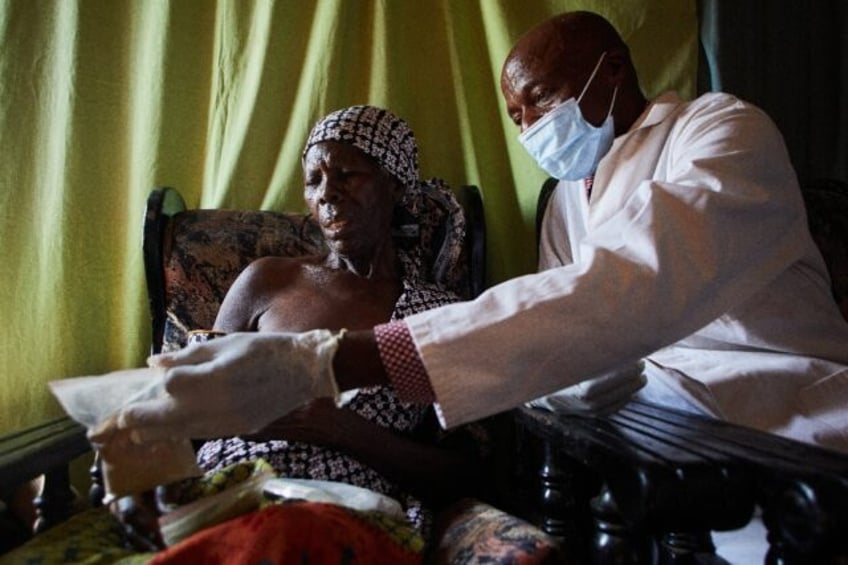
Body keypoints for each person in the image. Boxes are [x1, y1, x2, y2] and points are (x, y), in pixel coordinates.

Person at [118, 11, 848, 464]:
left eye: (540, 101)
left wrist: (330, 365)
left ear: (613, 69)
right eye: (513, 115)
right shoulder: (565, 198)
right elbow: (567, 343)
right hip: (632, 431)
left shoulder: (721, 130)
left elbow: (628, 287)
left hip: (772, 420)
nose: (530, 128)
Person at [111, 105, 488, 555]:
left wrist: (341, 430)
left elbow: (470, 473)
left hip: (346, 508)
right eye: (314, 180)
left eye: (347, 174)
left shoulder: (436, 312)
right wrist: (137, 480)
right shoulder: (266, 280)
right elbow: (185, 405)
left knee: (287, 541)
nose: (327, 193)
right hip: (226, 491)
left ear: (395, 187)